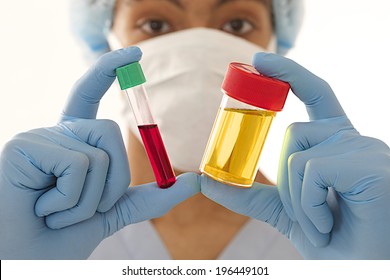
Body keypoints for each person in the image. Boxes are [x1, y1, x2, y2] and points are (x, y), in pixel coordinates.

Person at [0, 0, 389, 260]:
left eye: (237, 23)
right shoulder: (47, 227)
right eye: (155, 23)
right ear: (106, 42)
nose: (198, 47)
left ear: (274, 43)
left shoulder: (334, 232)